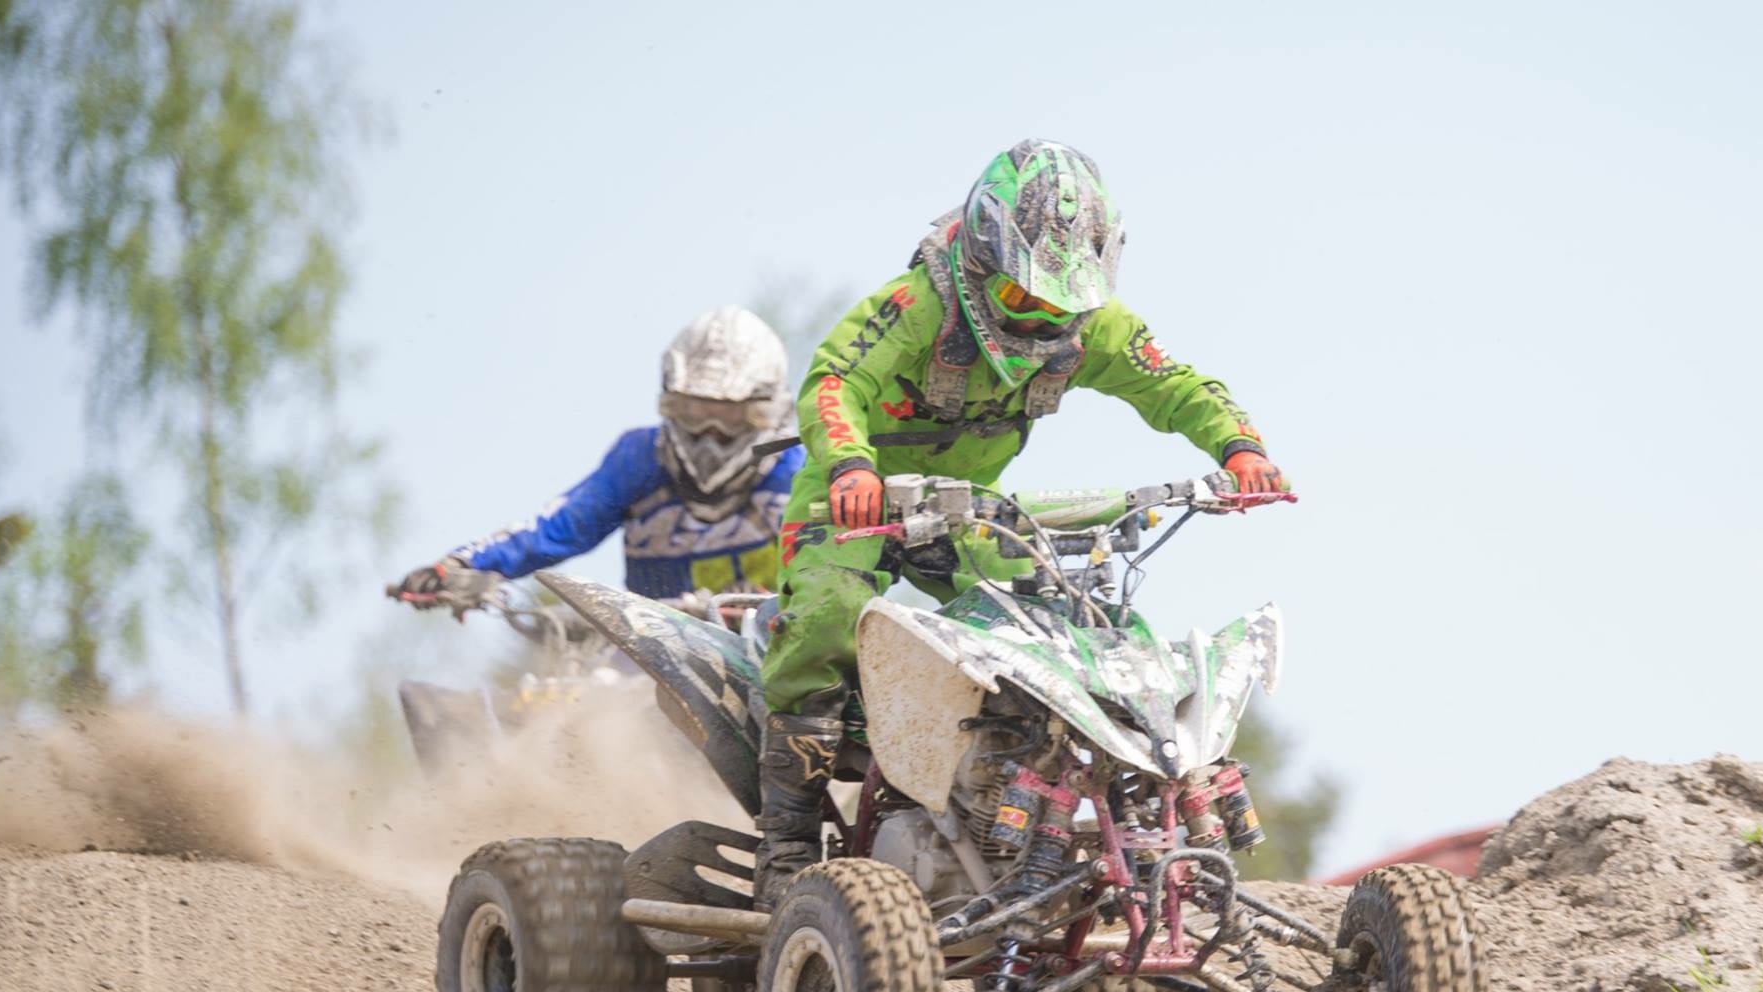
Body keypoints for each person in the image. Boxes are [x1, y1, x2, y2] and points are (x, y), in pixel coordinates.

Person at [751, 139, 1288, 909]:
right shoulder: (919, 304)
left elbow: (1176, 384)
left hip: (971, 513)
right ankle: (788, 846)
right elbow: (835, 376)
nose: (1042, 321)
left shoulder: (1094, 330)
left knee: (1078, 622)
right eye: (1024, 299)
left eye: (1062, 304)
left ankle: (1082, 830)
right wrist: (850, 466)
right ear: (979, 262)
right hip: (852, 504)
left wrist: (1240, 447)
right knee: (828, 621)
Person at [393, 306, 805, 612]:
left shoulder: (796, 469)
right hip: (655, 659)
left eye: (732, 417)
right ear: (669, 405)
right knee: (560, 706)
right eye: (694, 414)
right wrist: (460, 564)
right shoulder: (639, 460)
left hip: (774, 651)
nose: (711, 436)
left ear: (770, 412)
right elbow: (556, 527)